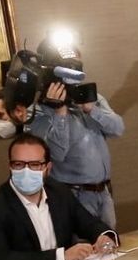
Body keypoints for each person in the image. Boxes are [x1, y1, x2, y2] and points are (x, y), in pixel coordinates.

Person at [0, 133, 113, 260]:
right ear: (10, 166)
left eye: (35, 165)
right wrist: (61, 257)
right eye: (18, 164)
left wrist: (104, 236)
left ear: (48, 168)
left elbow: (88, 223)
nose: (26, 171)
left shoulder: (59, 192)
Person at [25, 42, 125, 230]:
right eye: (68, 67)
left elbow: (118, 129)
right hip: (73, 196)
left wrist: (92, 110)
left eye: (77, 66)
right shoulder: (37, 110)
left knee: (110, 242)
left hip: (104, 192)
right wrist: (60, 112)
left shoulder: (91, 97)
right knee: (82, 245)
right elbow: (56, 154)